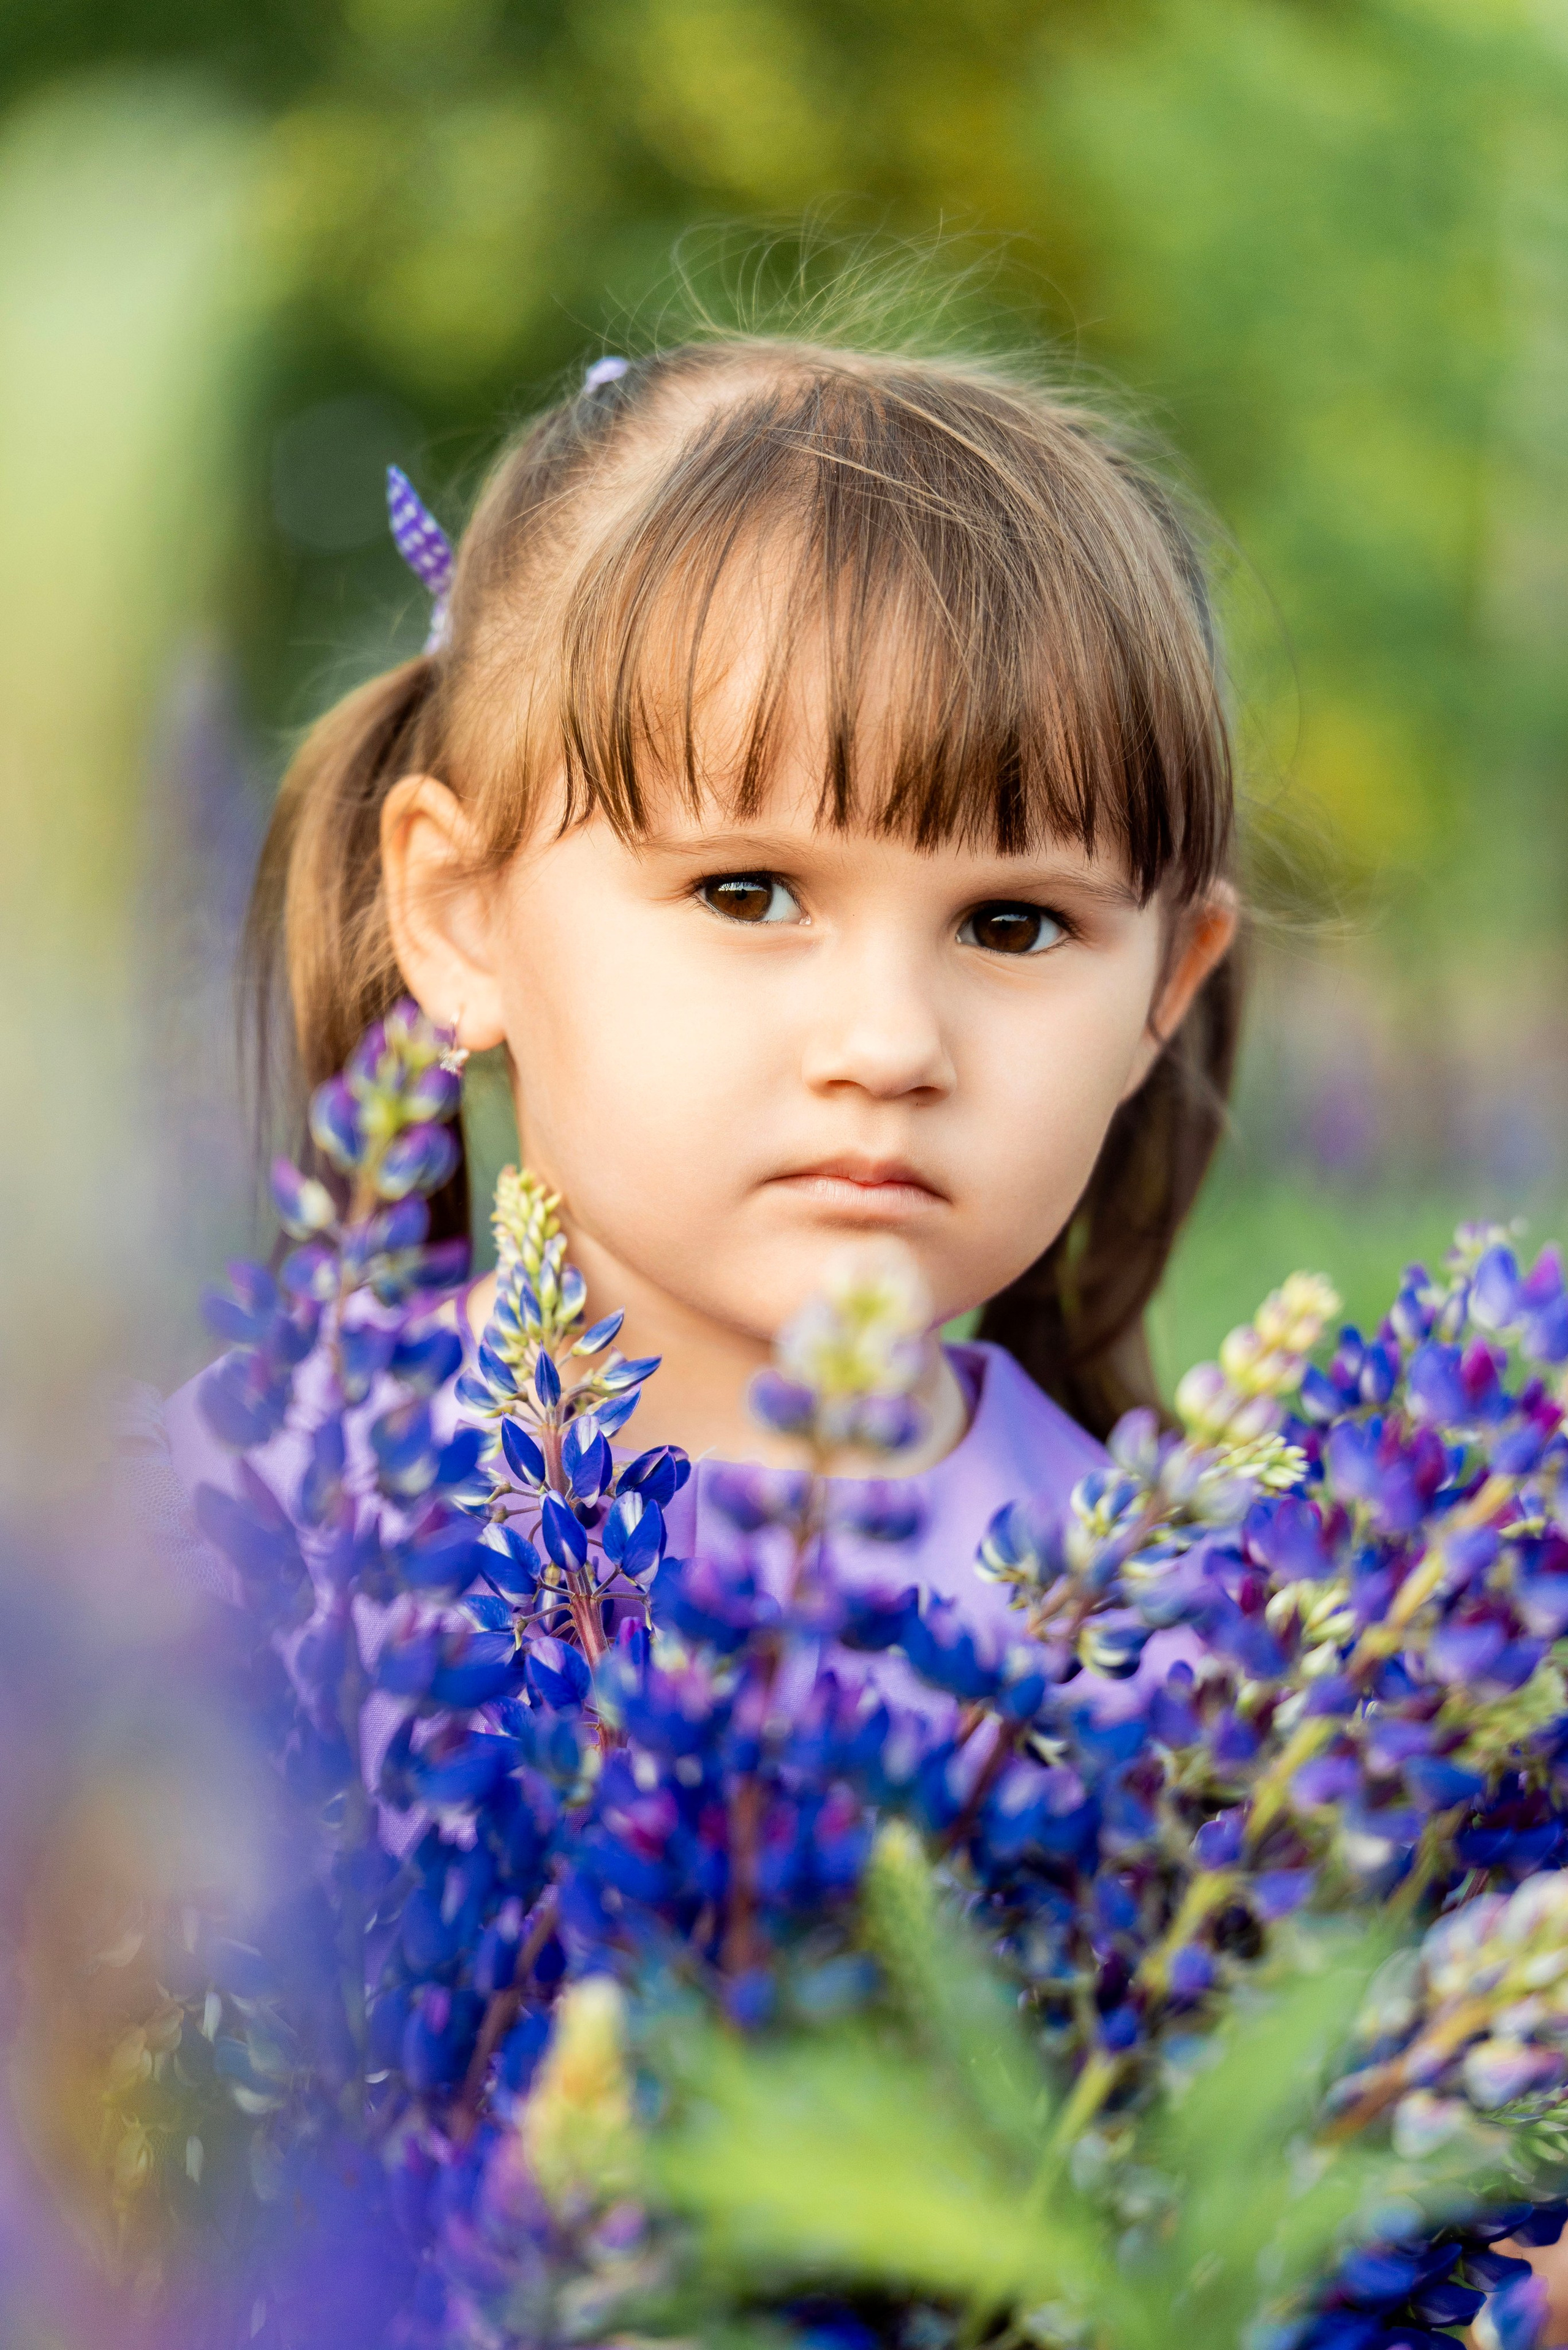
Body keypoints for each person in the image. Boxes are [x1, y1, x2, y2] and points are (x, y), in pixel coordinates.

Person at [156, 330, 1240, 1675]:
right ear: (460, 914)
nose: (889, 1045)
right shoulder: (224, 1533)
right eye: (746, 892)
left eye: (1011, 923)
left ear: (1160, 990)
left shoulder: (1172, 1631)